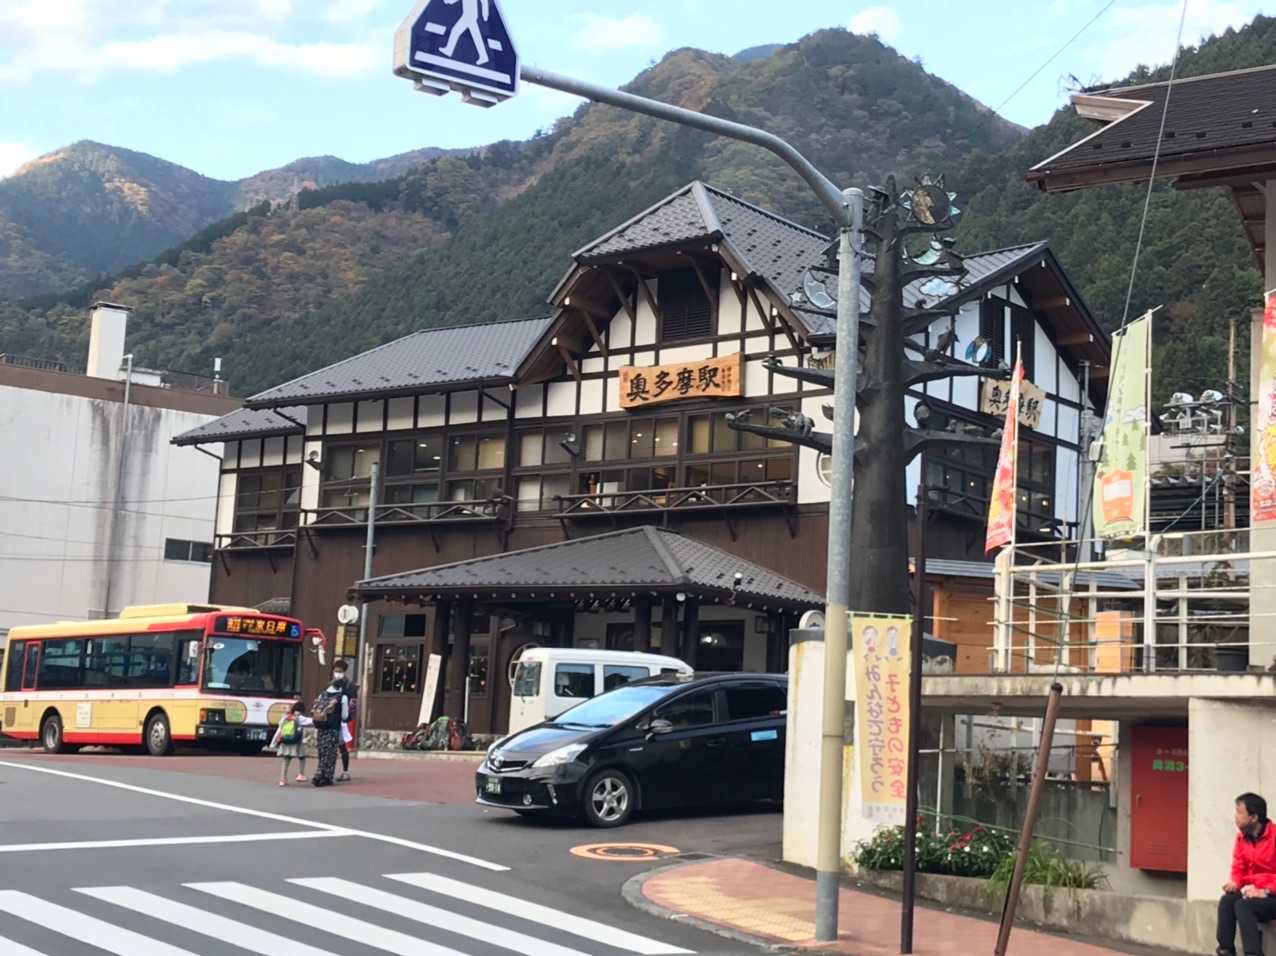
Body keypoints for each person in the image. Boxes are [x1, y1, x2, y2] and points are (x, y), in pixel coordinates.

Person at [1218, 792, 1276, 956]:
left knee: (1243, 906)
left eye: (1239, 812)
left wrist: (1265, 891)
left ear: (1254, 817)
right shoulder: (1241, 839)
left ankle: (1253, 954)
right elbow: (1239, 867)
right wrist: (1235, 883)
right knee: (1227, 900)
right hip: (1253, 893)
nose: (1235, 817)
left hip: (1272, 895)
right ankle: (1225, 950)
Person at [311, 668, 349, 788]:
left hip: (321, 725)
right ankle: (324, 776)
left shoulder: (322, 694)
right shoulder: (342, 697)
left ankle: (320, 773)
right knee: (331, 753)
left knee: (322, 751)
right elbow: (345, 716)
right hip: (333, 727)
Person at [269, 700, 311, 786]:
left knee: (286, 760)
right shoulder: (300, 718)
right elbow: (310, 721)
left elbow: (280, 728)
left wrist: (274, 742)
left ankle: (282, 779)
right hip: (295, 741)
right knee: (302, 756)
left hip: (285, 740)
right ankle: (301, 774)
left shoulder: (285, 717)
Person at [337, 679, 358, 783]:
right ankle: (345, 771)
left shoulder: (342, 696)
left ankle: (327, 771)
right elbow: (348, 715)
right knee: (343, 748)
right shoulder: (350, 698)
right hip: (342, 723)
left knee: (338, 748)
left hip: (335, 723)